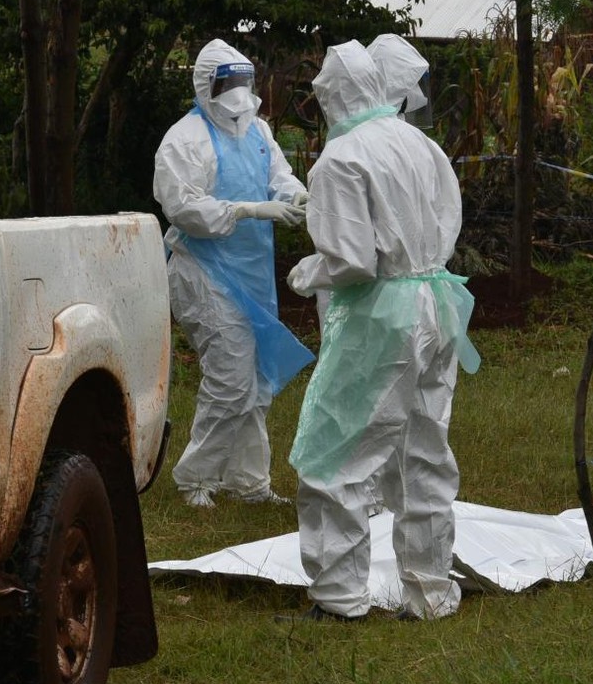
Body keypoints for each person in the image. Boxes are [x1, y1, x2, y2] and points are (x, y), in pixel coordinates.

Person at [283, 38, 479, 621]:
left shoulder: (340, 160)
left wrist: (306, 271)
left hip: (381, 316)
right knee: (423, 452)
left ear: (331, 96)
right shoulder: (421, 144)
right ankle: (430, 592)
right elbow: (448, 221)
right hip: (438, 303)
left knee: (335, 452)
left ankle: (339, 597)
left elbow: (351, 262)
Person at [153, 38, 314, 508]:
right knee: (230, 375)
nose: (238, 92)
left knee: (256, 378)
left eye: (243, 81)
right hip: (200, 269)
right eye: (228, 83)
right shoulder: (184, 140)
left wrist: (294, 196)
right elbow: (183, 207)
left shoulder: (259, 133)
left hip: (250, 271)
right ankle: (196, 479)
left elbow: (278, 178)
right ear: (207, 86)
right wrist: (246, 210)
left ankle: (249, 482)